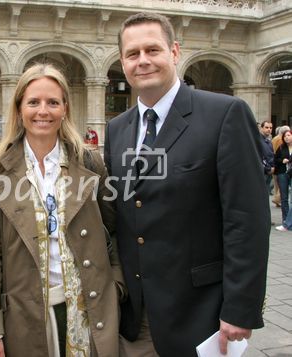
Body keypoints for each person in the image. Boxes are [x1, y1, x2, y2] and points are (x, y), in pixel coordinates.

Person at [104, 12, 270, 356]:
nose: (143, 61)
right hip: (136, 317)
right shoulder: (117, 128)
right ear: (122, 62)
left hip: (201, 313)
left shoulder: (225, 114)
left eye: (153, 49)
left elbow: (247, 222)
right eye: (133, 54)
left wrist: (240, 308)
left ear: (175, 52)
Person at [0, 63, 125, 357]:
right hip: (25, 315)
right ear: (19, 109)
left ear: (64, 109)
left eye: (52, 102)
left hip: (88, 311)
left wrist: (116, 287)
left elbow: (115, 230)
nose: (43, 111)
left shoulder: (90, 163)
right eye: (33, 102)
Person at [274, 130, 292, 223]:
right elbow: (275, 159)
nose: (287, 137)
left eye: (288, 135)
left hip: (291, 174)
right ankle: (285, 219)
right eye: (285, 136)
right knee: (284, 198)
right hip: (282, 174)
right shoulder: (281, 148)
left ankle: (290, 219)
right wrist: (282, 160)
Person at [272, 125, 290, 207]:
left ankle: (277, 200)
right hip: (281, 167)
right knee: (281, 187)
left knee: (277, 185)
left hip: (276, 165)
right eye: (286, 135)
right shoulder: (280, 142)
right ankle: (277, 199)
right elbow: (278, 155)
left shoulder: (274, 139)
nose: (287, 137)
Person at [260, 121, 274, 194]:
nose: (269, 129)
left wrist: (273, 167)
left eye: (271, 128)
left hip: (269, 173)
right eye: (266, 127)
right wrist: (268, 168)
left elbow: (271, 156)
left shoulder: (269, 141)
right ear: (261, 128)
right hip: (262, 172)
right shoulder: (257, 140)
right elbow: (259, 157)